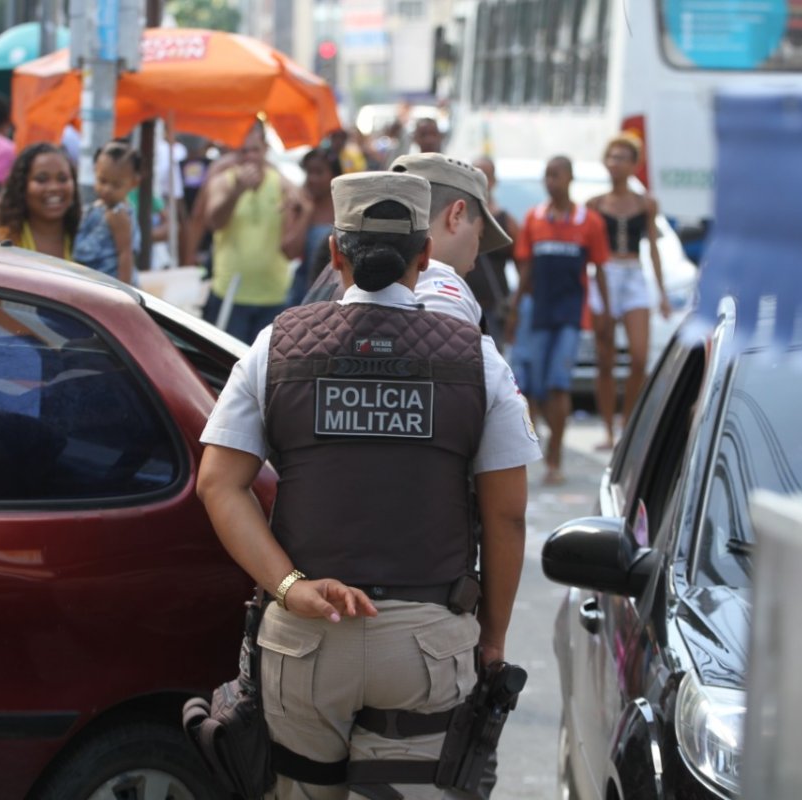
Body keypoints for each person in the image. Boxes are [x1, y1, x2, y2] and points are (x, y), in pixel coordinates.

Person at [196, 170, 539, 800]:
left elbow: (218, 483)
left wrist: (291, 587)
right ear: (425, 254)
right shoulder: (476, 358)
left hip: (306, 639)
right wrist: (492, 639)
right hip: (426, 644)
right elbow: (507, 516)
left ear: (334, 251)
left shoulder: (277, 346)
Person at [506, 155, 610, 486]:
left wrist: (604, 311)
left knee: (558, 382)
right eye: (547, 175)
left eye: (556, 175)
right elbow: (526, 269)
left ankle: (556, 453)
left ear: (569, 178)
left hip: (569, 314)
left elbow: (600, 269)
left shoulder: (589, 221)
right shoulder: (534, 219)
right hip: (538, 312)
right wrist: (515, 307)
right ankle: (544, 444)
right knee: (533, 386)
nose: (551, 181)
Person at [586, 134, 671, 449]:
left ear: (635, 164)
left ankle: (628, 422)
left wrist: (661, 292)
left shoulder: (646, 203)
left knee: (638, 356)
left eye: (622, 158)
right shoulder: (595, 204)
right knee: (605, 357)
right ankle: (608, 429)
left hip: (634, 274)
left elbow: (653, 249)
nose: (615, 164)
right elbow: (590, 251)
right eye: (612, 157)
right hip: (605, 274)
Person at [202, 122, 302, 342]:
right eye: (243, 151)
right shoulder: (223, 180)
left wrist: (296, 209)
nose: (249, 157)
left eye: (255, 150)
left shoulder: (281, 182)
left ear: (265, 150)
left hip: (273, 293)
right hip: (230, 292)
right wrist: (237, 191)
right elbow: (214, 222)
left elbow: (294, 233)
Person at [391, 153, 514, 330]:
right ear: (456, 215)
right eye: (479, 235)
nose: (473, 264)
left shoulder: (349, 280)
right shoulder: (447, 299)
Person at [0, 143, 79, 260]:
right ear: (22, 186)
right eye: (42, 179)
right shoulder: (4, 241)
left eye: (62, 179)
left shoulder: (87, 238)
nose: (54, 187)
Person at [73, 141, 141, 283]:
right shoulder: (99, 207)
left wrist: (123, 292)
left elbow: (125, 255)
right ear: (94, 171)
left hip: (109, 283)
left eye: (116, 185)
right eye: (102, 181)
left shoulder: (118, 214)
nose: (107, 189)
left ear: (134, 182)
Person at [468, 156, 520, 335]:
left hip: (492, 310)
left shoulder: (507, 222)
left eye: (485, 176)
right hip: (461, 306)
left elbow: (523, 268)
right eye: (474, 175)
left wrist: (514, 308)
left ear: (494, 181)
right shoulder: (457, 217)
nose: (480, 182)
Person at [284, 147, 340, 307]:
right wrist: (306, 214)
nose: (312, 179)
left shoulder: (343, 211)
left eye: (319, 172)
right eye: (308, 172)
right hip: (301, 293)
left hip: (330, 297)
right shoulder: (299, 207)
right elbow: (289, 252)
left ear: (334, 175)